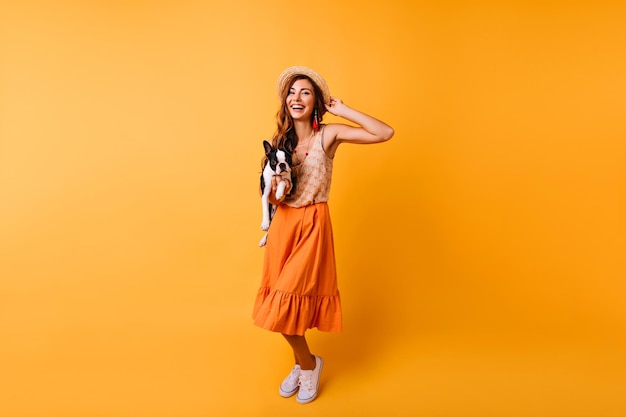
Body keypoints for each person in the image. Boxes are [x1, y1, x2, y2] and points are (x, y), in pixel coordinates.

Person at [252, 66, 394, 404]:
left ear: (316, 100)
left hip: (313, 225)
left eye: (305, 92)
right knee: (279, 305)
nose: (296, 98)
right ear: (284, 101)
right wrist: (275, 191)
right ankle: (305, 364)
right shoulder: (279, 143)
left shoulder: (327, 136)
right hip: (284, 225)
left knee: (287, 304)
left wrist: (341, 109)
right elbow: (273, 198)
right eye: (291, 92)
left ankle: (309, 364)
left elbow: (384, 132)